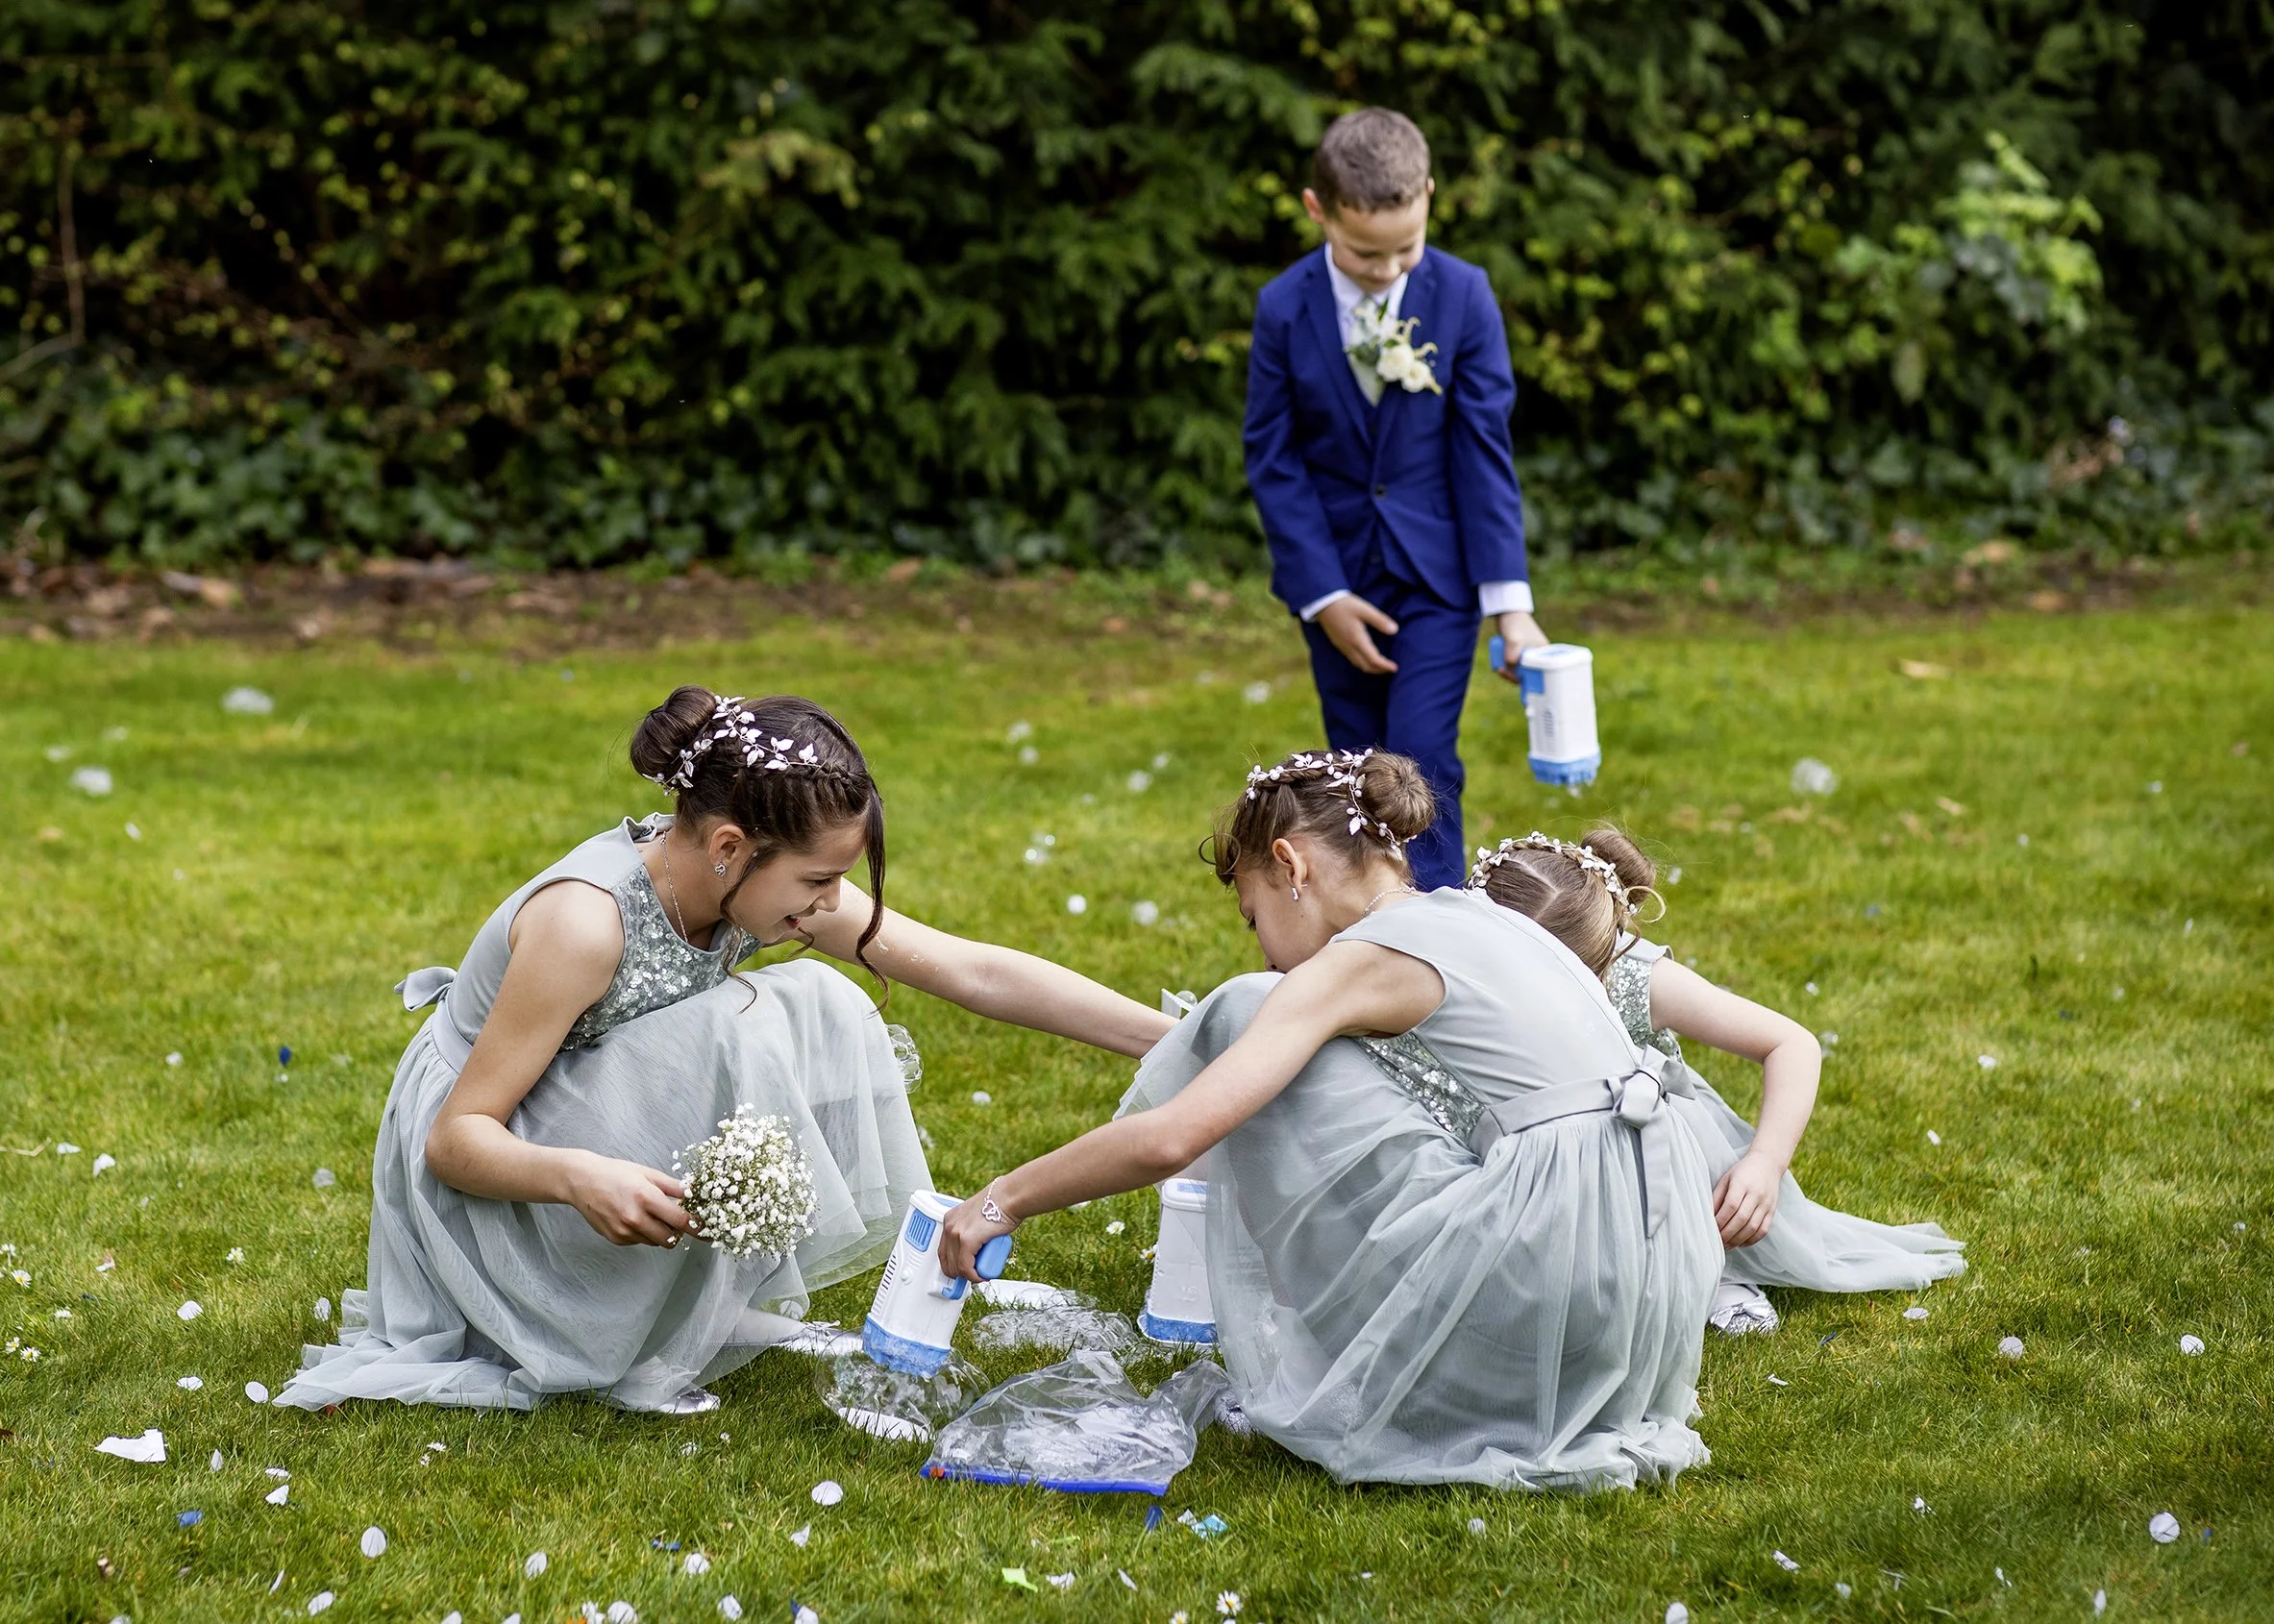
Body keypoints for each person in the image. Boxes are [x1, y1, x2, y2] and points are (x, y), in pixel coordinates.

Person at [278, 688, 1173, 1414]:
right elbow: (456, 1137)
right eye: (817, 881)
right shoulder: (586, 923)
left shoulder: (748, 883)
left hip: (591, 1092)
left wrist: (1180, 1044)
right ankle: (597, 1322)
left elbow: (975, 973)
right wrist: (580, 1177)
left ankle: (692, 1308)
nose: (828, 905)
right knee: (729, 1024)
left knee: (816, 997)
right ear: (729, 847)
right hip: (501, 1154)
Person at [940, 749, 1722, 1490]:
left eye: (1253, 918)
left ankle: (1336, 1352)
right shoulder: (1488, 919)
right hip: (1646, 1302)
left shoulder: (1367, 956)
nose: (1268, 949)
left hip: (1542, 1286)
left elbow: (1175, 1136)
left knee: (1249, 1008)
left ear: (1290, 866)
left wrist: (1000, 1199)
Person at [1469, 828, 1965, 1335]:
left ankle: (1715, 1271)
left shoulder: (1636, 977)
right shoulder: (1458, 978)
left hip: (1644, 1144)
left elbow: (1792, 1045)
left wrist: (1764, 1165)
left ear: (1598, 964)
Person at [1243, 108, 1547, 891]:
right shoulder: (1284, 307)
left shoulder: (1464, 297)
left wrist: (1509, 605)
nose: (1385, 270)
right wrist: (1323, 595)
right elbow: (1273, 460)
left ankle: (1445, 934)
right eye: (1363, 252)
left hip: (1437, 580)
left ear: (1430, 200)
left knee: (1419, 758)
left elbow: (1484, 455)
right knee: (1352, 767)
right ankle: (1368, 932)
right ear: (1319, 211)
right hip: (1337, 578)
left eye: (1404, 249)